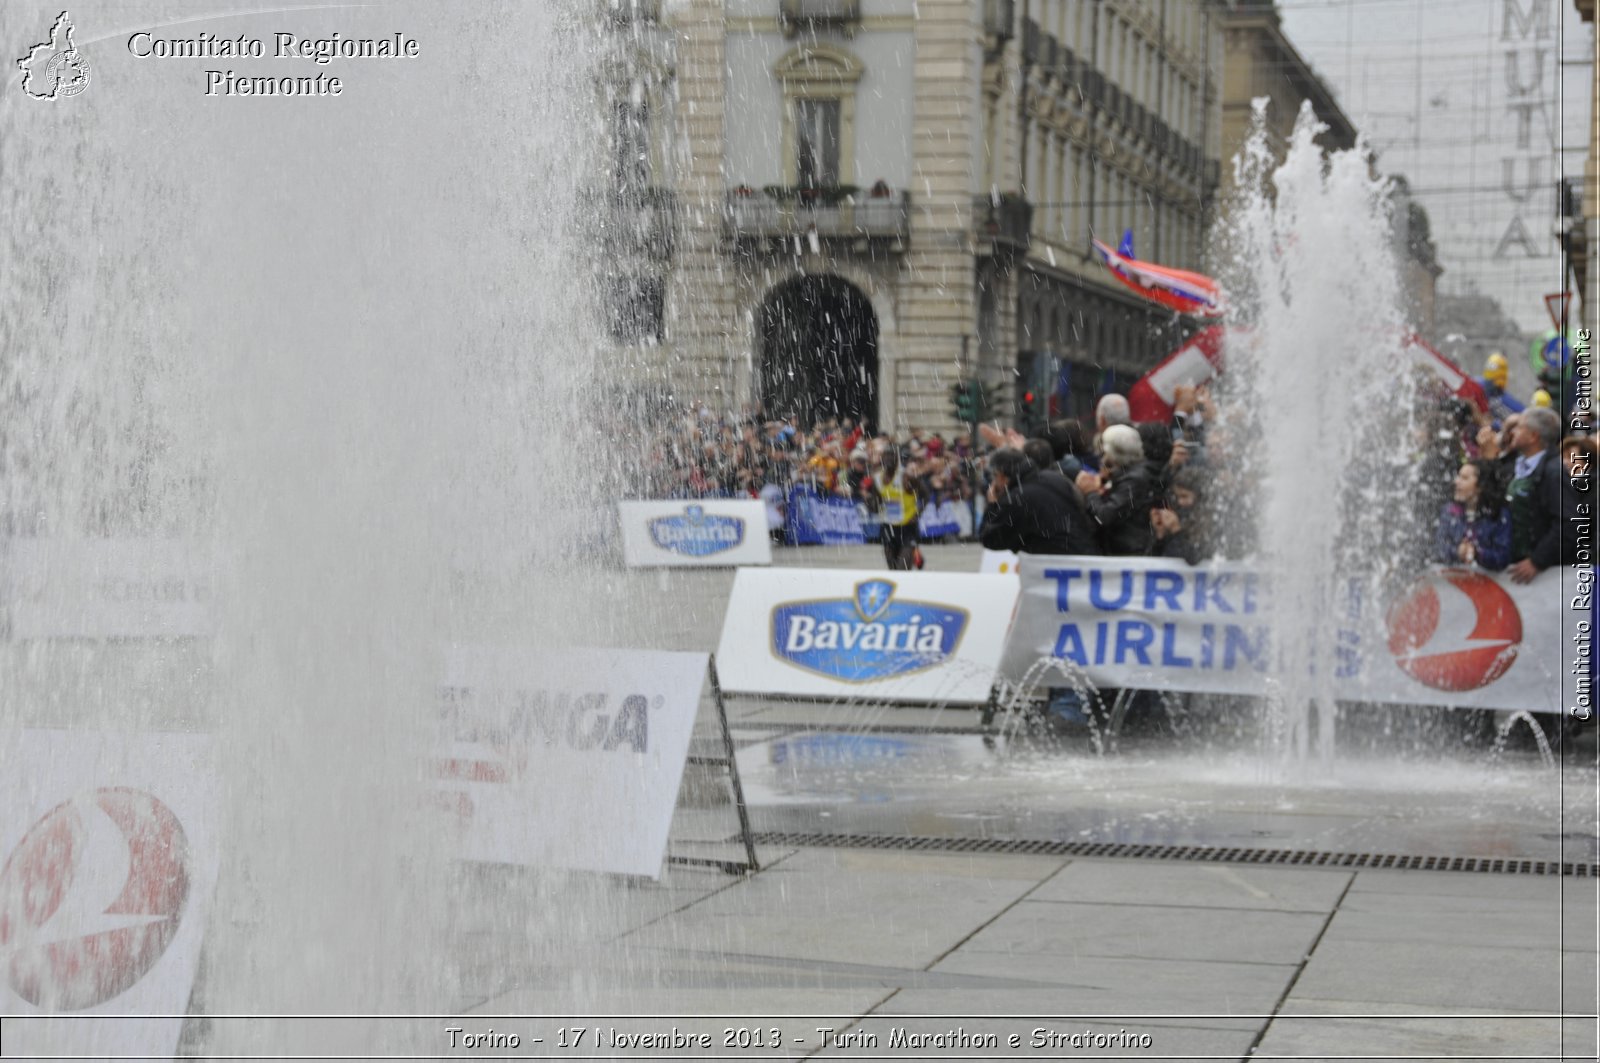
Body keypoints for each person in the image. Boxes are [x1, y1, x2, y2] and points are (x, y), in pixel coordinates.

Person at [978, 448, 1089, 555]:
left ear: (1001, 475)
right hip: (1084, 553)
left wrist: (992, 505)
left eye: (994, 477)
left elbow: (990, 538)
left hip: (1055, 563)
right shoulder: (1055, 477)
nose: (994, 483)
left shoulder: (1018, 498)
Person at [1075, 424, 1157, 556]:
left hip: (1129, 552)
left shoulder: (1134, 480)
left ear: (1114, 454)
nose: (1102, 458)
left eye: (1105, 453)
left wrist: (1091, 492)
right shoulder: (1132, 474)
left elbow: (1105, 516)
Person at [1505, 407, 1565, 583]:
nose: (1513, 432)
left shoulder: (1554, 473)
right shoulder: (1517, 465)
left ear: (1533, 436)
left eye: (1520, 427)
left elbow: (1567, 523)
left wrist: (1537, 561)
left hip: (1538, 576)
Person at [1434, 459, 1511, 571]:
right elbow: (1436, 547)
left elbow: (1503, 557)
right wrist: (1457, 551)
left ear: (1480, 486)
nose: (1456, 482)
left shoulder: (1498, 514)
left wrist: (1478, 553)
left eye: (1464, 478)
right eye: (1458, 476)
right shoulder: (1449, 511)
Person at [872, 444, 923, 571]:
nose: (888, 459)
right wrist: (873, 505)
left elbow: (925, 494)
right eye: (886, 455)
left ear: (897, 459)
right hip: (888, 527)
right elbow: (876, 499)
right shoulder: (877, 478)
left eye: (892, 456)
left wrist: (918, 512)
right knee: (893, 570)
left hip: (907, 527)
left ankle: (914, 554)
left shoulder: (906, 477)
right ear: (882, 458)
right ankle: (915, 556)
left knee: (902, 570)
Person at [1150, 466, 1211, 564]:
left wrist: (1176, 530)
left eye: (1184, 496)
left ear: (1198, 496)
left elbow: (1193, 558)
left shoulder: (1208, 521)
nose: (1180, 502)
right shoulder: (1178, 515)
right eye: (1177, 496)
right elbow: (1152, 561)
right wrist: (1160, 536)